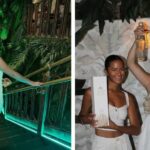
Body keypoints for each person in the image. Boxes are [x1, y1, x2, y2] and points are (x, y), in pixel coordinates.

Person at [78, 55, 141, 150]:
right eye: (114, 69)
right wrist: (88, 119)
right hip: (102, 144)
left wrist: (116, 127)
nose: (119, 73)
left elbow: (136, 130)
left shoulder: (128, 97)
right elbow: (80, 118)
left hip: (123, 143)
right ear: (106, 71)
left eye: (122, 69)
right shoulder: (92, 92)